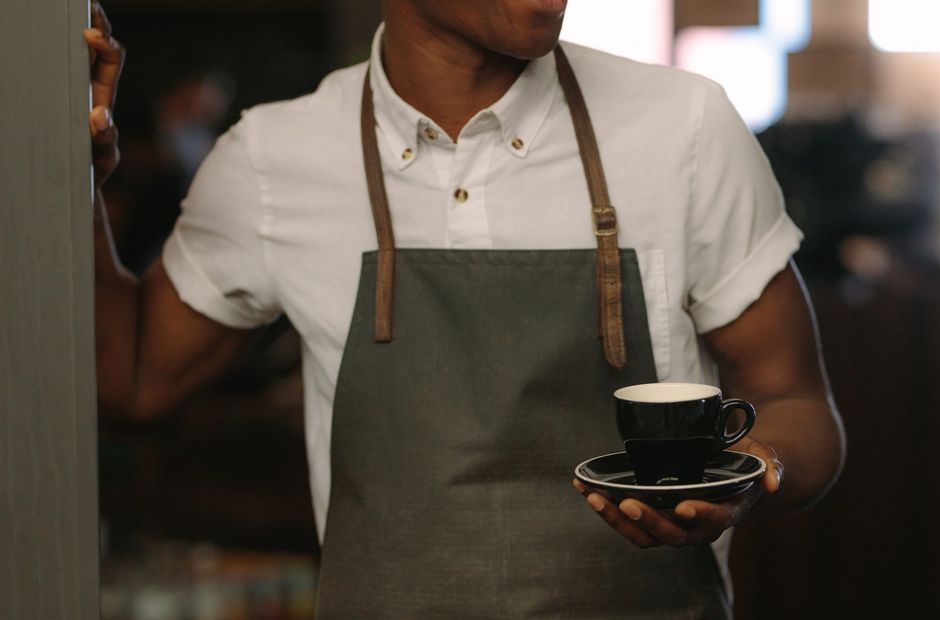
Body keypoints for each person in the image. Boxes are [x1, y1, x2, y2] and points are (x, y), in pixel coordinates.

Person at [86, 0, 845, 617]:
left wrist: (745, 476)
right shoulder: (272, 159)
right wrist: (70, 170)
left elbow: (797, 404)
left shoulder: (685, 127)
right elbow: (131, 384)